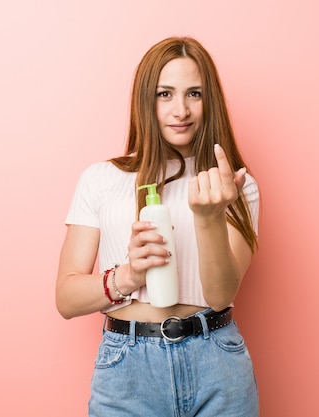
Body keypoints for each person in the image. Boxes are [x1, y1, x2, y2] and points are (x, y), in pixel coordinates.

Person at [56, 36, 260, 417]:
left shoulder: (232, 185)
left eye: (194, 94)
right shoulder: (102, 179)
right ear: (145, 100)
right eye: (165, 93)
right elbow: (66, 299)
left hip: (217, 362)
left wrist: (209, 217)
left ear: (209, 100)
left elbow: (220, 295)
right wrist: (128, 276)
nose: (180, 110)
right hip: (127, 371)